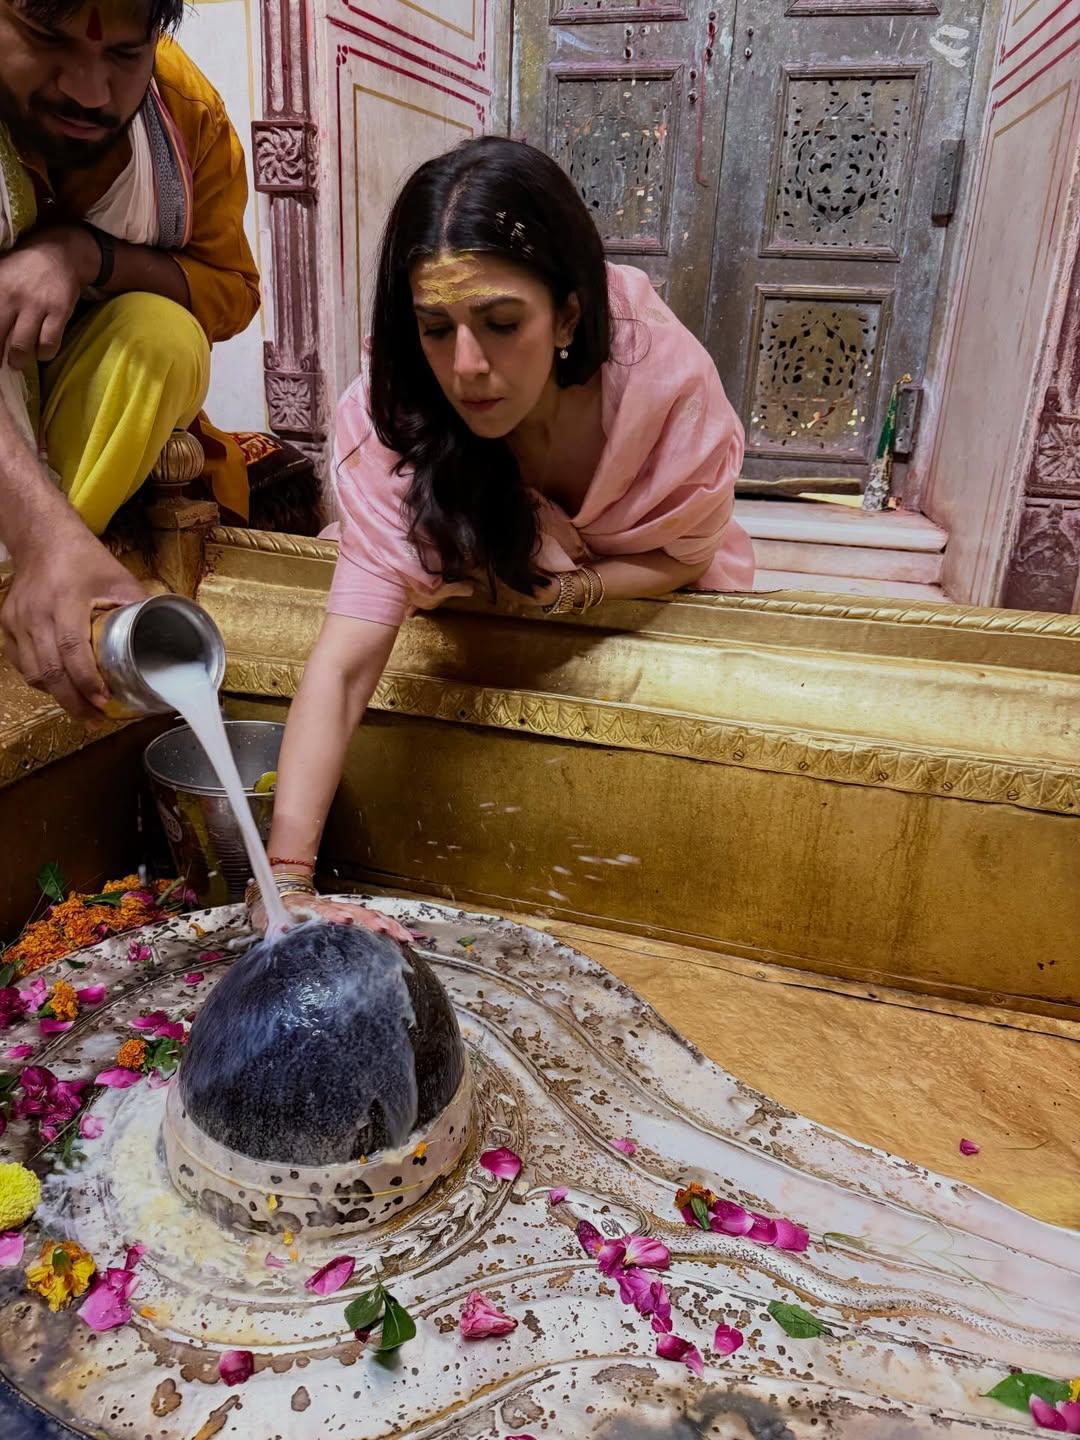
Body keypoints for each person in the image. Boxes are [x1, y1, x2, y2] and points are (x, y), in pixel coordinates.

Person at [248, 136, 753, 933]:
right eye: (435, 328)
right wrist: (287, 885)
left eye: (501, 322)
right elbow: (344, 667)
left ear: (569, 315)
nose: (468, 367)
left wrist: (576, 589)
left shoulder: (665, 391)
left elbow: (684, 554)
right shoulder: (397, 425)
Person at [0, 0, 259, 721]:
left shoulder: (182, 112)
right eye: (48, 38)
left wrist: (84, 257)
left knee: (164, 336)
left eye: (122, 55)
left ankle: (52, 581)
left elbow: (231, 290)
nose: (89, 91)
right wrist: (37, 532)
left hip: (80, 419)